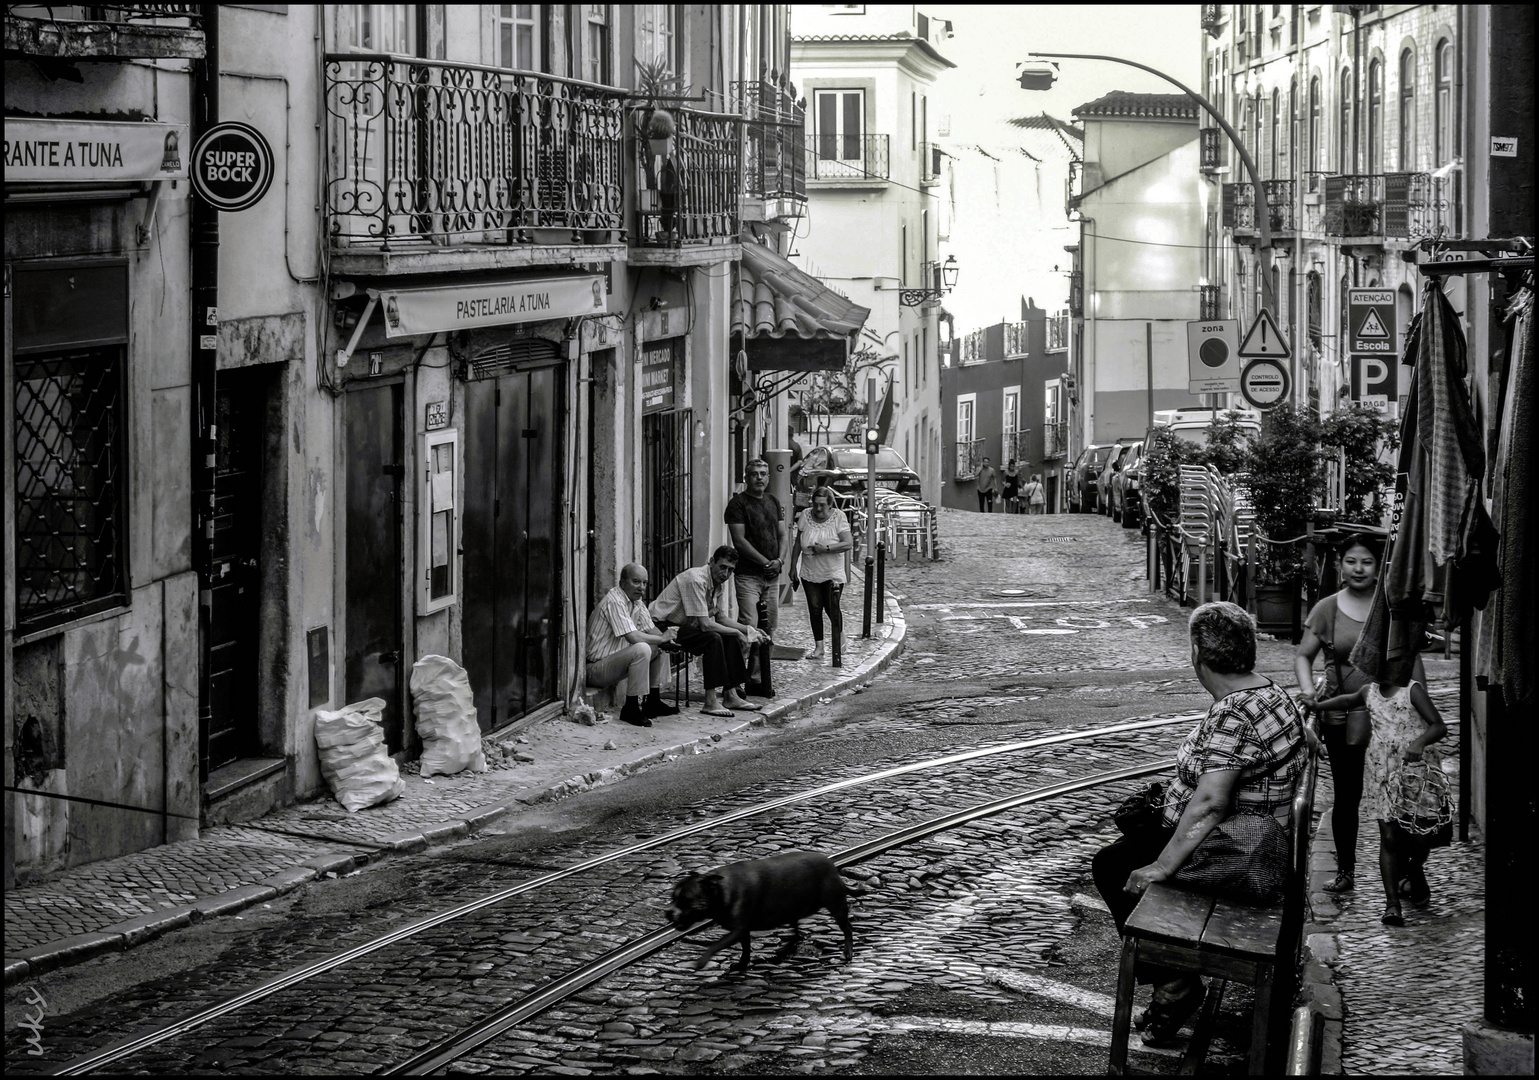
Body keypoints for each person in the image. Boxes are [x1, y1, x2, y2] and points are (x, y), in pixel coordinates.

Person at [1092, 601, 1306, 1047]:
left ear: (1196, 652)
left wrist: (1163, 867)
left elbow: (1210, 803)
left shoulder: (1234, 713)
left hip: (1230, 850)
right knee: (1132, 832)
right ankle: (1175, 982)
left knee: (1113, 867)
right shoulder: (1270, 693)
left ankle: (1175, 985)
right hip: (1249, 836)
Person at [1313, 640, 1447, 926]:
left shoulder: (1412, 690)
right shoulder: (1369, 691)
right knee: (1388, 837)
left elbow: (1439, 725)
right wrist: (1317, 704)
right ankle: (1392, 905)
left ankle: (1413, 871)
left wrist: (1419, 742)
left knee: (1419, 836)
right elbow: (1346, 701)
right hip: (1382, 772)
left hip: (1416, 773)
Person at [1295, 532, 1382, 895]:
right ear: (1339, 565)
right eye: (1351, 561)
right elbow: (1304, 655)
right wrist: (1308, 690)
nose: (1359, 568)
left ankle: (1410, 868)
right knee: (1348, 795)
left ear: (1378, 566)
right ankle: (1346, 870)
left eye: (1366, 561)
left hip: (1387, 715)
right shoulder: (1327, 607)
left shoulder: (1387, 605)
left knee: (1395, 790)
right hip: (1339, 717)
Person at [649, 546, 768, 717]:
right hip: (661, 626)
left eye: (730, 570)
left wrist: (750, 630)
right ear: (711, 562)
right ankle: (710, 701)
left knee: (728, 637)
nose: (725, 574)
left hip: (683, 626)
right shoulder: (696, 579)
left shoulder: (718, 584)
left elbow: (721, 618)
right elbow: (705, 625)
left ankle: (731, 695)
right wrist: (736, 633)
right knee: (713, 638)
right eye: (722, 567)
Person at [585, 564, 680, 727]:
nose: (641, 587)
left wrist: (669, 641)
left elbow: (651, 630)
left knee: (658, 646)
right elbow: (632, 636)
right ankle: (631, 708)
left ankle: (653, 702)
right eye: (636, 582)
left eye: (644, 583)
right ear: (622, 582)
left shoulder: (636, 602)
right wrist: (662, 638)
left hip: (614, 663)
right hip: (595, 670)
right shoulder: (614, 600)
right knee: (642, 648)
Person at [725, 457, 786, 687]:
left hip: (772, 576)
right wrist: (765, 562)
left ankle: (758, 678)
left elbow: (782, 535)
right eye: (754, 474)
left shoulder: (773, 501)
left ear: (769, 477)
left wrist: (779, 561)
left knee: (769, 627)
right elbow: (739, 541)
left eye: (763, 473)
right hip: (748, 576)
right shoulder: (738, 504)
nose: (759, 477)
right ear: (746, 477)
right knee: (748, 625)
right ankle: (735, 681)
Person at [789, 486, 854, 667]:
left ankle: (839, 638)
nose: (818, 509)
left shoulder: (838, 517)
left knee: (831, 607)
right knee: (815, 608)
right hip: (810, 571)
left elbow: (848, 543)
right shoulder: (805, 516)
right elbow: (797, 542)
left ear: (830, 504)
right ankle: (819, 647)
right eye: (816, 504)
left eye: (822, 506)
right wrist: (793, 566)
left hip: (832, 572)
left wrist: (825, 549)